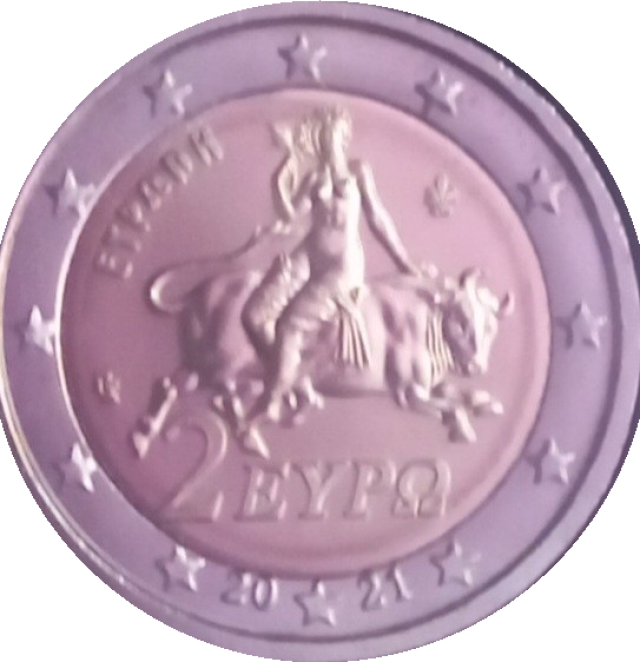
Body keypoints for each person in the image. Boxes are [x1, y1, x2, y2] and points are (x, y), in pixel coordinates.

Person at [241, 106, 420, 422]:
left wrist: (403, 261)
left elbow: (378, 218)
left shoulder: (358, 171)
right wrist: (281, 172)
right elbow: (291, 218)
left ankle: (272, 400)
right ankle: (291, 377)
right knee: (254, 315)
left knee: (289, 326)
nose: (329, 139)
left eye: (334, 133)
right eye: (323, 133)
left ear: (345, 136)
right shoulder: (313, 178)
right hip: (308, 255)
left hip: (342, 263)